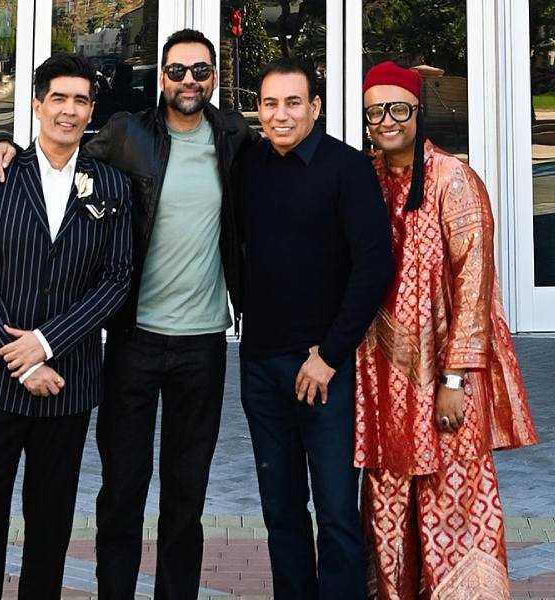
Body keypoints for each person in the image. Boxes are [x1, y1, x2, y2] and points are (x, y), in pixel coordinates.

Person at [0, 29, 255, 599]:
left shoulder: (235, 137)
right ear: (162, 78)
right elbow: (58, 153)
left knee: (186, 493)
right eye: (176, 71)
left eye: (201, 71)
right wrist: (6, 147)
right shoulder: (128, 135)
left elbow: (286, 169)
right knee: (123, 490)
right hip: (135, 341)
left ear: (215, 78)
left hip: (203, 343)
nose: (188, 82)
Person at [0, 53, 132, 600]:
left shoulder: (111, 186)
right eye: (59, 98)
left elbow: (117, 280)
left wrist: (47, 345)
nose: (69, 110)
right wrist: (22, 359)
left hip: (67, 382)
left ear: (91, 109)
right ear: (36, 103)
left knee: (51, 523)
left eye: (80, 100)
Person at [357, 61, 538, 599]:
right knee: (386, 510)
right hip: (381, 382)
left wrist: (455, 379)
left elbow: (476, 285)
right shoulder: (365, 178)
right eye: (374, 112)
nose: (386, 121)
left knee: (453, 506)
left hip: (446, 381)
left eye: (397, 109)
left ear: (419, 110)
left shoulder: (454, 180)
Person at [236, 57, 393, 600]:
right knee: (280, 511)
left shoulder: (347, 169)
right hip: (260, 366)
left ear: (315, 107)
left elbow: (374, 268)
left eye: (293, 102)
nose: (280, 115)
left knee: (335, 513)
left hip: (325, 367)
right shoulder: (248, 165)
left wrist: (328, 355)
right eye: (270, 103)